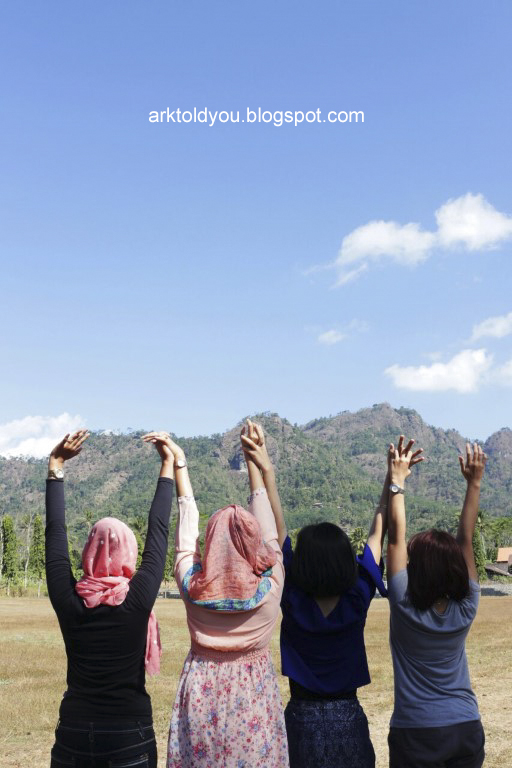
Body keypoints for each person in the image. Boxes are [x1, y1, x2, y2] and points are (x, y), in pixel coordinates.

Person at [278, 439, 420, 768]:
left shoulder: (291, 596)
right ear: (345, 561)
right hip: (347, 717)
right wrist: (392, 479)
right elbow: (378, 532)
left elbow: (278, 529)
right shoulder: (357, 596)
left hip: (299, 719)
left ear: (301, 564)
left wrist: (264, 471)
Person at [46, 428, 175, 768]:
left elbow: (55, 534)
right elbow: (159, 529)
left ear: (88, 550)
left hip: (73, 731)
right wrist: (168, 464)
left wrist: (56, 466)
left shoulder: (68, 598)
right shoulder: (137, 598)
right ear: (129, 551)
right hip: (128, 734)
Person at [167, 420, 289, 768]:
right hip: (254, 698)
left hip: (200, 695)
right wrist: (254, 462)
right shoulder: (271, 586)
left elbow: (184, 540)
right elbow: (269, 532)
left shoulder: (192, 588)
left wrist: (180, 466)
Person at [386, 436, 487, 768]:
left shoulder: (403, 602)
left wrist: (397, 482)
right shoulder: (467, 607)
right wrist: (474, 484)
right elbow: (466, 538)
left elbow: (397, 535)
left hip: (416, 732)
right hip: (465, 727)